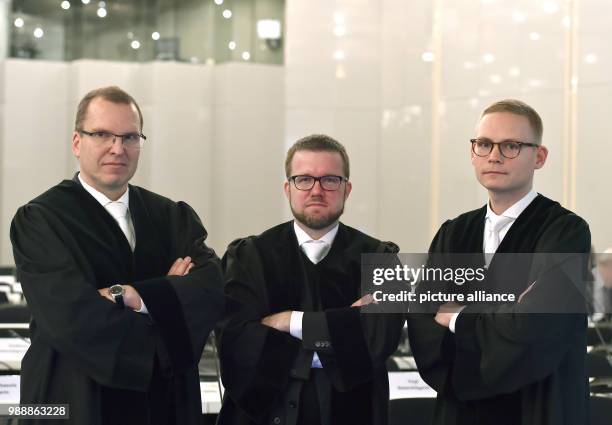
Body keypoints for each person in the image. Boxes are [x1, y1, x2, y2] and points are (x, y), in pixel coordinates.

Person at [10, 86, 225, 425]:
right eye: (102, 135)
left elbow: (210, 289)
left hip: (163, 406)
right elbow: (71, 318)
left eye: (129, 137)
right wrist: (166, 301)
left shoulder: (172, 216)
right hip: (74, 400)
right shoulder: (41, 220)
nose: (117, 148)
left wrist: (131, 296)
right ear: (77, 142)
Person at [408, 99, 591, 425]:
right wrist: (506, 318)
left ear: (539, 156)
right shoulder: (453, 232)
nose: (494, 155)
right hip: (460, 409)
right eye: (484, 144)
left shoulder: (565, 231)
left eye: (511, 145)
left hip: (537, 407)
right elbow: (423, 320)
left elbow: (537, 326)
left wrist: (458, 318)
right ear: (473, 152)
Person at [216, 134, 403, 425]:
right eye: (304, 179)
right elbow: (236, 342)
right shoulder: (248, 257)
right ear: (287, 188)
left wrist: (290, 322)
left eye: (330, 180)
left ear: (347, 189)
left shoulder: (380, 258)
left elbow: (379, 339)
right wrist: (343, 330)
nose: (317, 190)